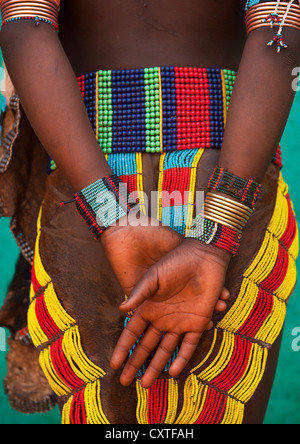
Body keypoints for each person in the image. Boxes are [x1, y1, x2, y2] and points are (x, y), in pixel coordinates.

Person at [0, 0, 299, 424]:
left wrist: (109, 214)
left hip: (88, 186)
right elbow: (280, 30)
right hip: (232, 180)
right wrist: (214, 240)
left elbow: (26, 26)